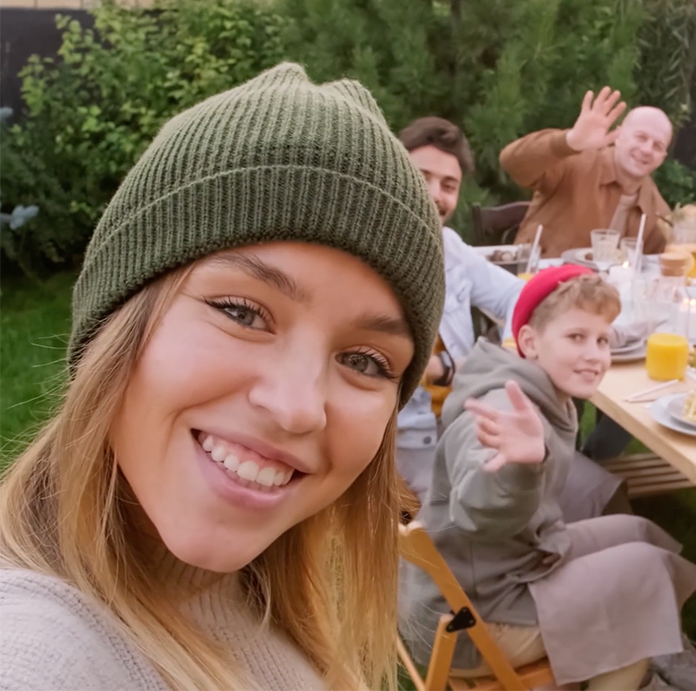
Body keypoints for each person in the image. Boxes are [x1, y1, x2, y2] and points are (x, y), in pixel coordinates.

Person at [0, 63, 445, 690]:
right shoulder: (37, 653)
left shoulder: (262, 604)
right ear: (116, 318)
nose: (297, 407)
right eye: (241, 313)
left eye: (365, 362)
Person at [400, 266, 696, 690]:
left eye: (602, 340)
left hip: (499, 570)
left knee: (640, 533)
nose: (595, 355)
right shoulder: (505, 410)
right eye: (576, 338)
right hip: (474, 616)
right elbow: (477, 512)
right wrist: (519, 467)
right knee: (645, 575)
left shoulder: (534, 385)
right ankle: (635, 660)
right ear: (530, 342)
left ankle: (663, 642)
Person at [394, 117, 627, 521]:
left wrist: (512, 349)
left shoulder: (449, 249)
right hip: (409, 444)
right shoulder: (366, 259)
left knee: (599, 490)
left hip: (475, 417)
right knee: (502, 509)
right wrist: (444, 369)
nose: (435, 195)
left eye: (448, 185)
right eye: (421, 177)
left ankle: (569, 556)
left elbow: (519, 296)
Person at [502, 88, 674, 258]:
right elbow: (511, 162)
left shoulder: (657, 213)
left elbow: (654, 273)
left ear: (663, 157)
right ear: (619, 135)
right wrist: (569, 141)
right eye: (641, 137)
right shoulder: (576, 163)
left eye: (657, 146)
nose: (646, 149)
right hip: (536, 279)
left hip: (607, 286)